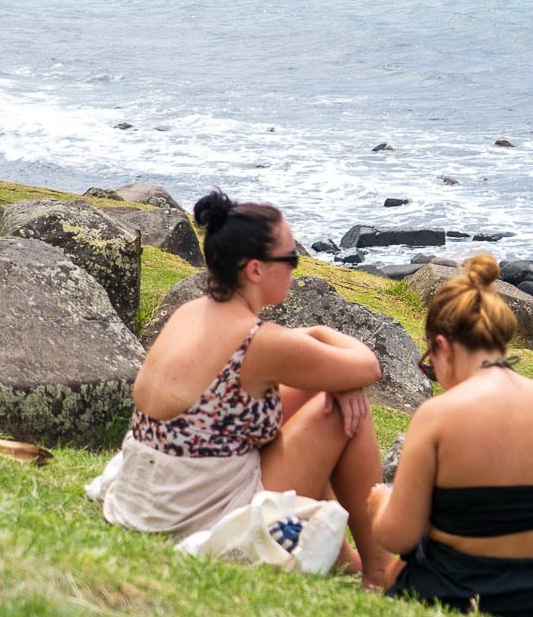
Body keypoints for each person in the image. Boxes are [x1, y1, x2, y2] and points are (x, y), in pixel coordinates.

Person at [94, 190, 393, 587]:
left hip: (149, 497)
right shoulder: (260, 342)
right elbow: (368, 366)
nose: (295, 268)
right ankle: (380, 572)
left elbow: (284, 364)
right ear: (255, 270)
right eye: (290, 259)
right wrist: (324, 336)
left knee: (324, 390)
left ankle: (343, 556)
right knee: (339, 408)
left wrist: (335, 376)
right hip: (194, 514)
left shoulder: (190, 313)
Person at [368, 254, 533, 617]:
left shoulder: (439, 414)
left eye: (430, 364)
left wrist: (380, 503)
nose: (437, 377)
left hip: (466, 598)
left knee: (397, 572)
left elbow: (398, 536)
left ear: (443, 346)